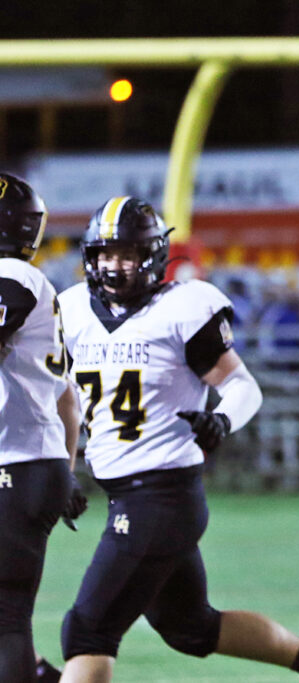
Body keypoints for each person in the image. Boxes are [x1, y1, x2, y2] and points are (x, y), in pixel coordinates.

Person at [56, 196, 299, 683]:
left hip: (161, 493)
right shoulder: (72, 308)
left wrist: (222, 420)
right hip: (127, 491)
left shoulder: (183, 306)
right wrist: (64, 465)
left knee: (88, 632)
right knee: (190, 627)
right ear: (90, 257)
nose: (116, 265)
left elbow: (242, 386)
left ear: (154, 255)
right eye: (106, 254)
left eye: (129, 253)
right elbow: (69, 398)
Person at [0, 173, 86, 683]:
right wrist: (66, 471)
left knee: (7, 619)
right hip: (33, 463)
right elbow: (68, 401)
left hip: (18, 466)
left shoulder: (13, 276)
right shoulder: (30, 282)